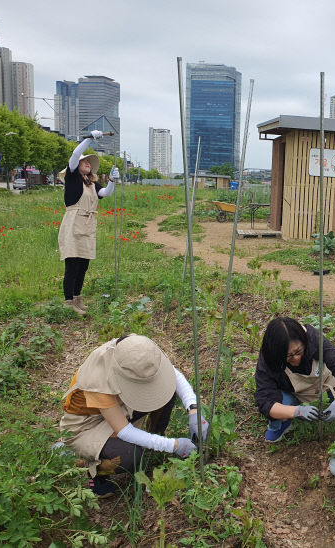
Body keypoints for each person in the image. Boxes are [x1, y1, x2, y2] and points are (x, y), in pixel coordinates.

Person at [59, 334, 208, 497]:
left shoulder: (137, 349)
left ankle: (154, 441)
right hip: (86, 425)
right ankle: (91, 467)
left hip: (118, 406)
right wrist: (173, 445)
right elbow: (124, 431)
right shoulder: (97, 379)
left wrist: (193, 410)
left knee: (164, 392)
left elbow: (173, 376)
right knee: (130, 456)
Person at [254, 317, 335, 443]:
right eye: (288, 356)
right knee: (279, 404)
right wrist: (297, 411)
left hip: (324, 380)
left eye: (298, 351)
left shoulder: (312, 338)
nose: (296, 358)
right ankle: (282, 424)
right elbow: (265, 402)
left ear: (303, 341)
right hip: (293, 392)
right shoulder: (268, 359)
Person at [58, 130, 118, 315]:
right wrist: (89, 138)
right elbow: (75, 155)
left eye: (89, 163)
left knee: (84, 264)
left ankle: (78, 298)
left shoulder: (91, 184)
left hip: (87, 224)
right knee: (72, 263)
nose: (87, 164)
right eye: (85, 161)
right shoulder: (72, 178)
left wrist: (113, 180)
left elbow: (106, 193)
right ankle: (69, 303)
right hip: (74, 223)